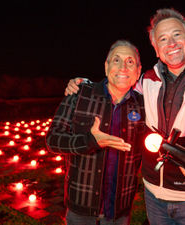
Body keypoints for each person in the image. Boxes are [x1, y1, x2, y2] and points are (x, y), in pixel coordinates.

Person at [65, 8, 185, 225]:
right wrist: (84, 85)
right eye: (163, 39)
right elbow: (116, 87)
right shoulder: (146, 81)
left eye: (177, 35)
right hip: (153, 196)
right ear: (156, 49)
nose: (171, 43)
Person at [46, 40, 146, 225]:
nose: (123, 67)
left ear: (138, 71)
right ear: (106, 66)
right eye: (116, 60)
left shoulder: (143, 105)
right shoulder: (80, 94)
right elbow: (52, 140)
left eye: (130, 62)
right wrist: (90, 141)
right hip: (81, 205)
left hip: (119, 209)